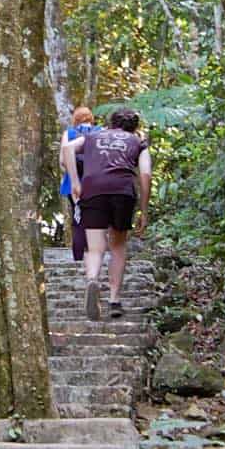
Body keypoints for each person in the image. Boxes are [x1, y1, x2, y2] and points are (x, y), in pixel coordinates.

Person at [65, 106, 151, 320]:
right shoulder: (138, 142)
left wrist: (75, 181)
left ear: (111, 122)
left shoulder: (93, 136)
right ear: (135, 126)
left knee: (94, 248)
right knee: (118, 245)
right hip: (122, 191)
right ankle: (114, 299)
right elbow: (146, 174)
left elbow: (67, 149)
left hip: (93, 189)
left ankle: (92, 279)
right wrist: (144, 210)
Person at [58, 103, 95, 263]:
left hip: (73, 182)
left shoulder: (69, 133)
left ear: (76, 120)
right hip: (95, 182)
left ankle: (78, 258)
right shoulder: (99, 132)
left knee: (78, 218)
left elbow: (62, 160)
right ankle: (94, 256)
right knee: (94, 220)